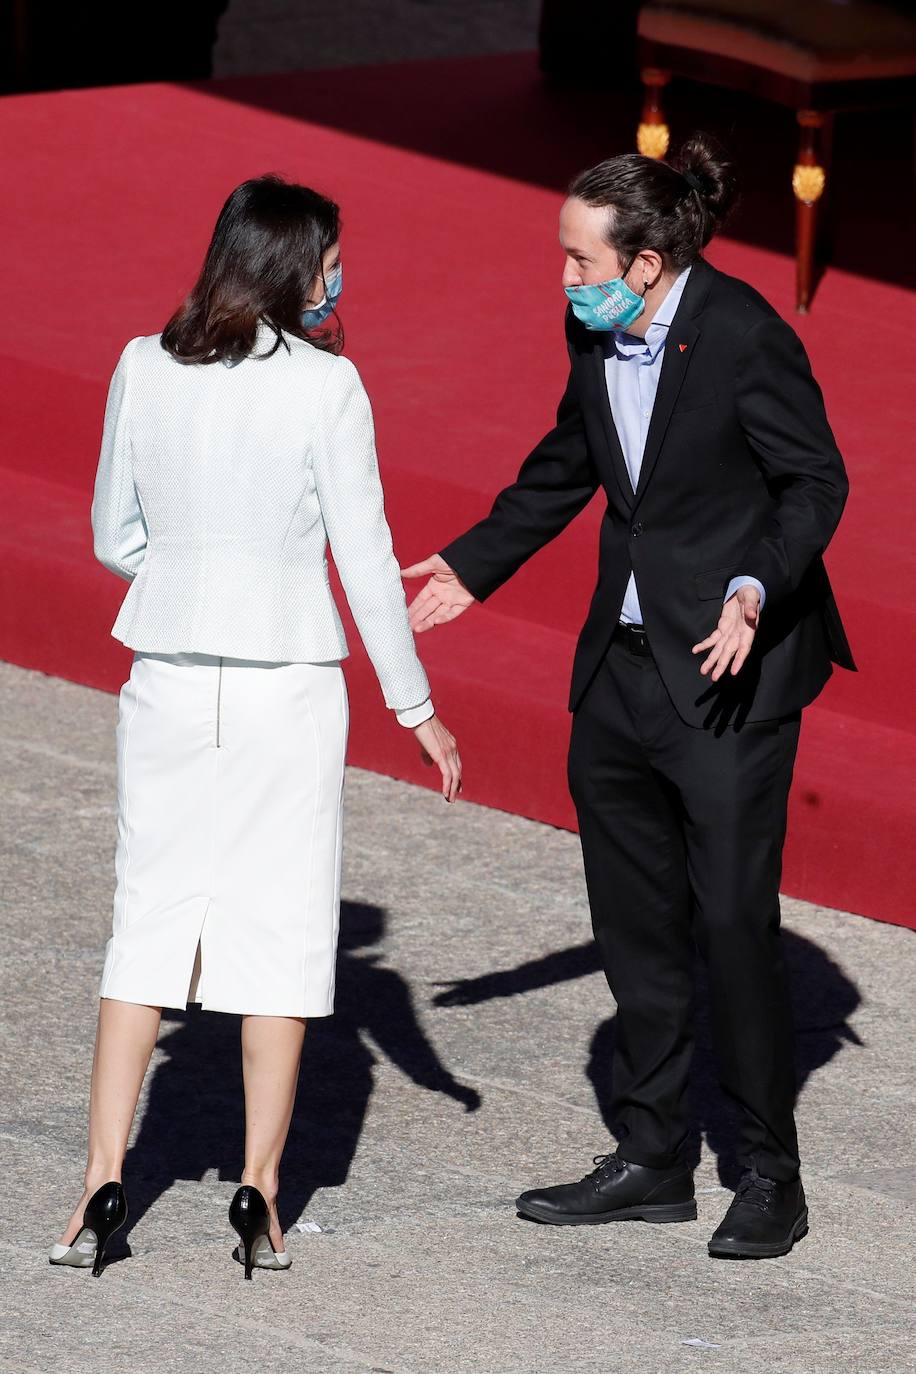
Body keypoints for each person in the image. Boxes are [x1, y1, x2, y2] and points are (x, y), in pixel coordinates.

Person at [403, 135, 854, 1260]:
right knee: (635, 922)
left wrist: (755, 586)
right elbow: (569, 462)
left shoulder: (747, 334)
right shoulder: (594, 331)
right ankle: (653, 1158)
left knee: (731, 927)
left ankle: (766, 1173)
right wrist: (475, 563)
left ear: (644, 264)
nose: (563, 279)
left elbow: (814, 479)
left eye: (577, 260)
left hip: (725, 675)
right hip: (621, 669)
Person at [50, 175, 460, 1280]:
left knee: (148, 922)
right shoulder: (328, 386)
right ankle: (260, 1195)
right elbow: (365, 561)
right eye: (330, 260)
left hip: (169, 675)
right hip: (288, 681)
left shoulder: (144, 365)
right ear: (296, 267)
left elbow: (109, 533)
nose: (337, 280)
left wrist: (188, 577)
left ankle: (99, 1181)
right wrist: (414, 704)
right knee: (278, 938)